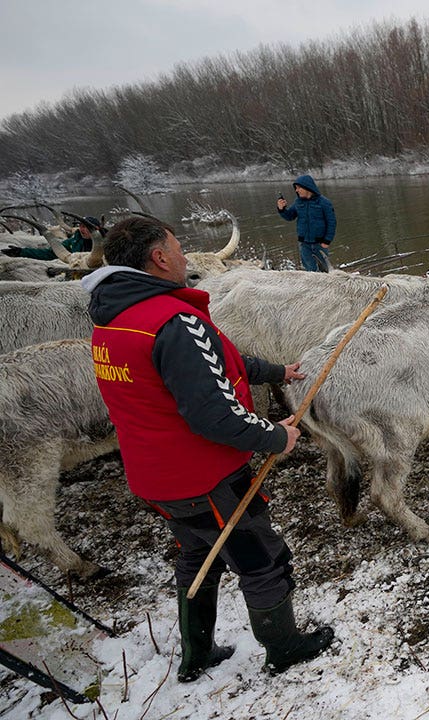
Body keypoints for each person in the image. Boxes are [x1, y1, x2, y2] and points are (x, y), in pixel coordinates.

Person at [81, 216, 335, 682]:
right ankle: (284, 648)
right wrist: (276, 437)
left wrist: (279, 372)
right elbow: (213, 415)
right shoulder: (173, 321)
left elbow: (214, 362)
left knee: (198, 557)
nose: (183, 256)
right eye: (177, 247)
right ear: (159, 258)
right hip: (205, 478)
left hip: (155, 478)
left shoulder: (114, 319)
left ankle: (196, 654)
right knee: (263, 560)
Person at [275, 174, 336, 271]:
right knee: (310, 271)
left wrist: (327, 241)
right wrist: (281, 209)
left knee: (324, 270)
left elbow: (332, 223)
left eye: (299, 188)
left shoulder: (324, 203)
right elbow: (290, 217)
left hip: (320, 244)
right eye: (296, 188)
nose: (296, 190)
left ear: (307, 187)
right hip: (304, 244)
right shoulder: (298, 202)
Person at [2, 216, 101, 259]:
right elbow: (49, 253)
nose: (82, 229)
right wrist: (21, 252)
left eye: (86, 227)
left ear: (96, 228)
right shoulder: (73, 242)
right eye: (80, 226)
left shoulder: (107, 242)